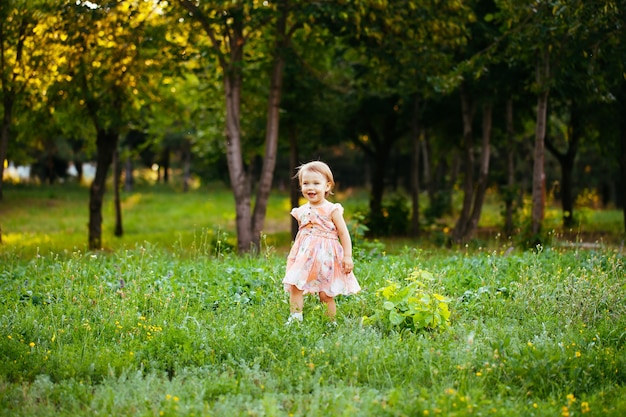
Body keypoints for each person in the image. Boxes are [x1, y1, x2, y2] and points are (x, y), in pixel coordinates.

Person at [283, 161, 361, 324]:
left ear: (327, 186)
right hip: (305, 258)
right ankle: (295, 318)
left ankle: (330, 322)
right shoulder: (302, 210)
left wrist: (348, 256)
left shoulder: (332, 210)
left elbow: (343, 233)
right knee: (296, 285)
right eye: (306, 183)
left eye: (316, 183)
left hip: (326, 257)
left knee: (326, 294)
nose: (310, 188)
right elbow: (303, 235)